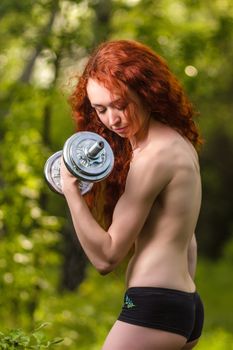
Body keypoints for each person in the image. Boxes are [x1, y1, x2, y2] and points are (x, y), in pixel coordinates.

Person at [60, 40, 204, 350]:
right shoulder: (176, 143)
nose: (112, 119)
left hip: (156, 308)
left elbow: (106, 257)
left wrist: (70, 190)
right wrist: (178, 297)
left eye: (120, 104)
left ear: (146, 90)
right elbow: (187, 239)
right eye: (101, 109)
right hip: (182, 304)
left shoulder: (154, 157)